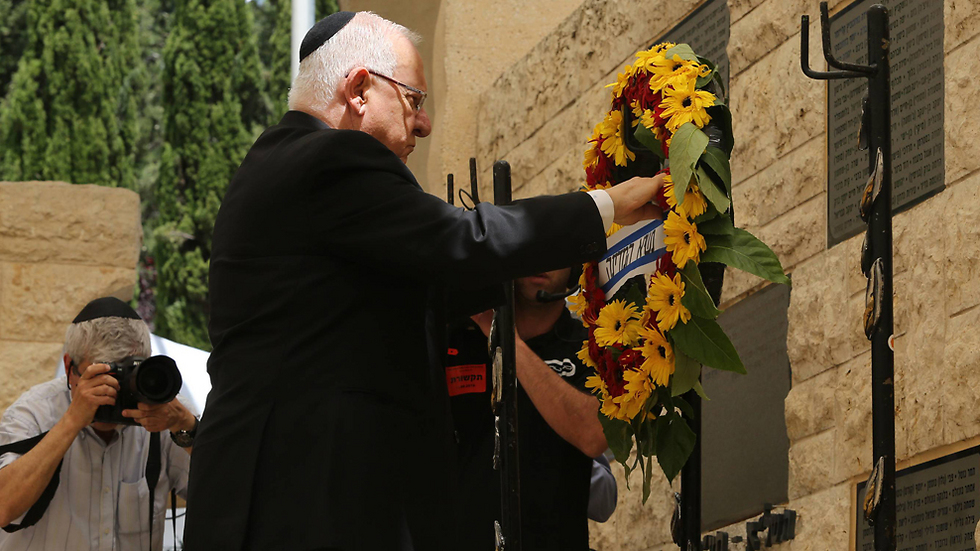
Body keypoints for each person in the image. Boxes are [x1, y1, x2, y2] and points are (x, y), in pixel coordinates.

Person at [183, 11, 664, 551]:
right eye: (413, 99)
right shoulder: (329, 159)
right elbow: (458, 240)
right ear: (360, 89)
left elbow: (439, 284)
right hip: (307, 504)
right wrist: (602, 209)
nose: (425, 123)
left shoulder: (283, 167)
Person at [0, 297, 198, 550]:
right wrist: (72, 421)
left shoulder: (164, 412)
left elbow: (224, 497)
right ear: (69, 368)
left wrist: (187, 427)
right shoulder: (34, 412)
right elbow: (3, 507)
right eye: (101, 377)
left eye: (124, 379)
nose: (113, 393)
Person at [449, 268, 610, 550]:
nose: (542, 260)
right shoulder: (458, 340)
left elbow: (594, 435)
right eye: (532, 244)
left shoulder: (588, 345)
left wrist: (504, 337)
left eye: (554, 246)